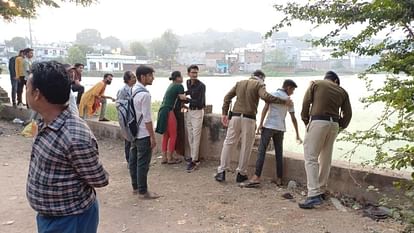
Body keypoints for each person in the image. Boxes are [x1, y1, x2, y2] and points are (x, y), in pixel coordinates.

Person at [25, 61, 109, 233]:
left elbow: (99, 179)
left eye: (27, 88)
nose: (24, 92)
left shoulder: (74, 136)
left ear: (36, 94)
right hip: (51, 217)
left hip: (71, 220)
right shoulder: (45, 122)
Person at [214, 70, 292, 183]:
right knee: (246, 146)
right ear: (261, 78)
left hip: (235, 116)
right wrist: (282, 101)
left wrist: (224, 113)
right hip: (249, 118)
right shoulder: (259, 84)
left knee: (229, 143)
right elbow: (265, 96)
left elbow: (227, 97)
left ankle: (221, 171)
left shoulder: (239, 83)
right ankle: (241, 173)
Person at [298, 71, 352, 209]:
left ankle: (313, 194)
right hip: (334, 124)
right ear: (335, 80)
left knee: (311, 158)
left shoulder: (316, 84)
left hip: (318, 121)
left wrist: (306, 121)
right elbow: (348, 114)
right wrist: (340, 126)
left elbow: (306, 103)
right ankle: (321, 190)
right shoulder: (343, 91)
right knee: (325, 159)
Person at [241, 79, 302, 188]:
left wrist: (260, 124)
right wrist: (297, 134)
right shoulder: (288, 100)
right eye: (292, 90)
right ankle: (279, 179)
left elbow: (265, 109)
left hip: (269, 126)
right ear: (288, 88)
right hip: (280, 128)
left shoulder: (272, 95)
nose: (292, 92)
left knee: (261, 151)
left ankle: (256, 176)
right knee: (279, 153)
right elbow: (293, 118)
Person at [129, 65, 160, 199]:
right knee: (143, 163)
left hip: (133, 131)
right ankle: (143, 191)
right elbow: (147, 119)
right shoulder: (145, 95)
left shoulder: (133, 90)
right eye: (150, 75)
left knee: (134, 160)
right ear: (143, 77)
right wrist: (152, 137)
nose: (152, 78)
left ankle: (136, 187)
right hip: (143, 133)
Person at [155, 71, 187, 164]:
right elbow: (182, 98)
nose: (182, 78)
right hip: (169, 110)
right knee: (173, 135)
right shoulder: (179, 86)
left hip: (162, 110)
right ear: (177, 78)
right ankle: (170, 157)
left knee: (166, 135)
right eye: (181, 76)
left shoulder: (171, 85)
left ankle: (164, 157)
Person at [185, 64, 206, 172]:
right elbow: (190, 92)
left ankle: (194, 160)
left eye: (196, 73)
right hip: (190, 111)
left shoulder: (201, 86)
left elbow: (200, 102)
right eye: (192, 72)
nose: (194, 75)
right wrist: (185, 94)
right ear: (188, 73)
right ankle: (193, 157)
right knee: (190, 135)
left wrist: (187, 99)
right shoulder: (188, 82)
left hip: (198, 111)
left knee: (196, 136)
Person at [116, 71, 137, 165]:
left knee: (133, 138)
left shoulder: (133, 89)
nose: (135, 79)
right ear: (128, 79)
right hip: (127, 118)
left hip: (133, 118)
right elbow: (120, 105)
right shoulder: (123, 90)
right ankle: (129, 160)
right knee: (128, 140)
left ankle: (133, 159)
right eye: (133, 77)